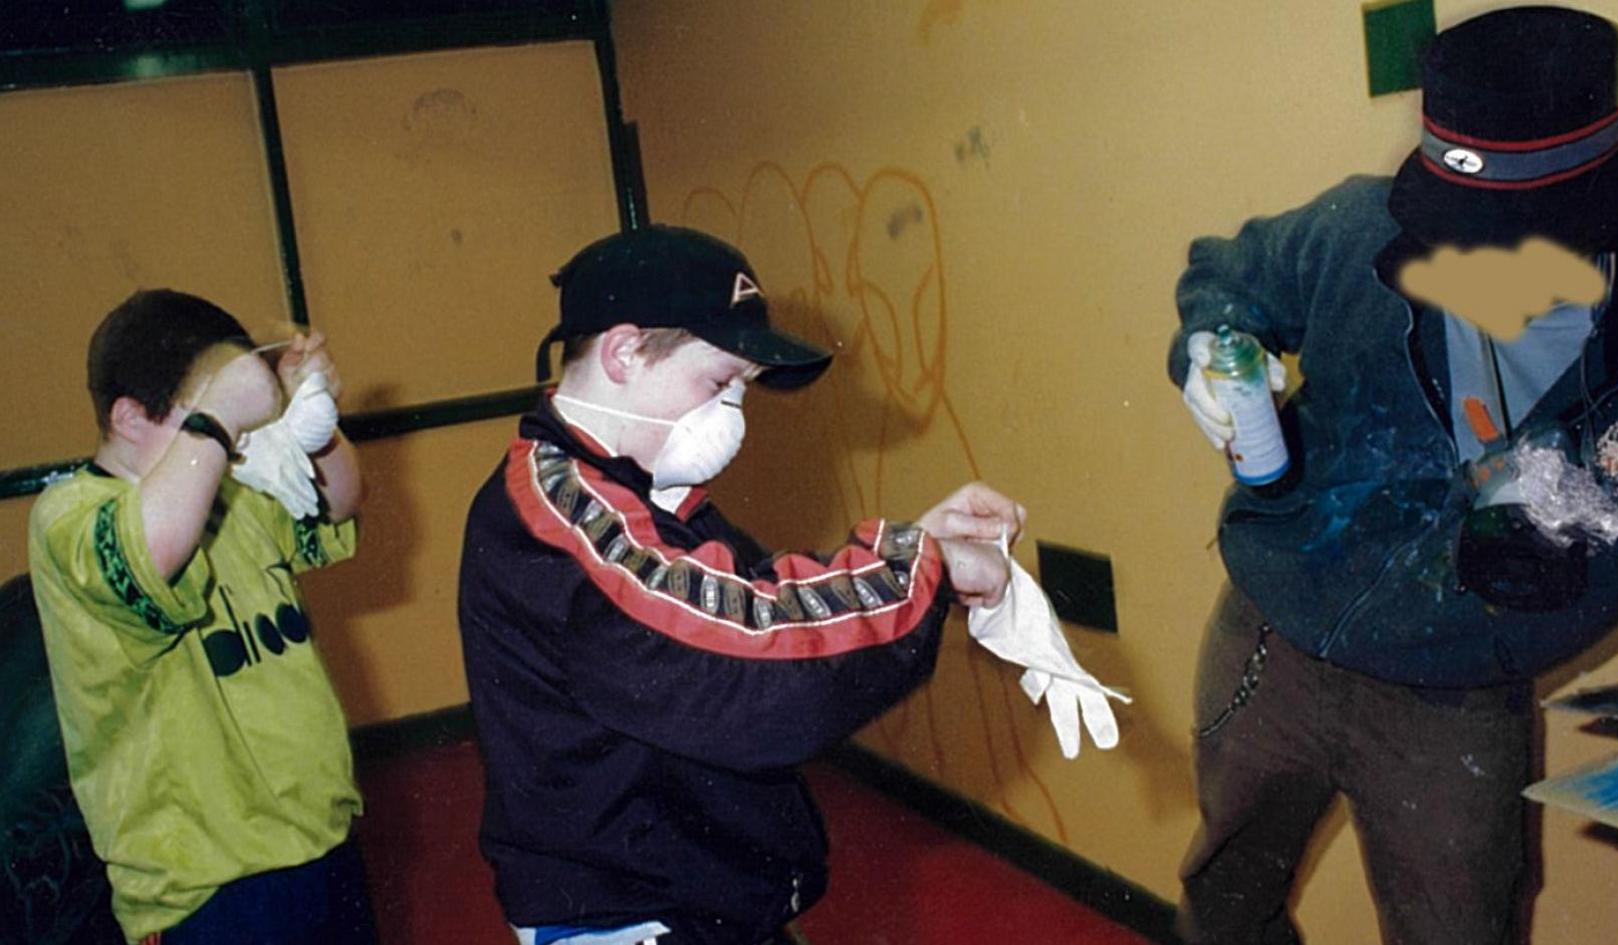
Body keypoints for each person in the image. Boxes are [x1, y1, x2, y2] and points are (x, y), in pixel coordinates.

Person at [1166, 7, 1618, 944]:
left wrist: (1586, 542)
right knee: (1222, 905)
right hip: (1270, 637)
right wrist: (1210, 344)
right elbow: (1229, 272)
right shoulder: (1358, 225)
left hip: (1452, 698)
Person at [457, 225, 1020, 945]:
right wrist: (921, 564)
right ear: (624, 352)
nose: (732, 413)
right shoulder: (564, 513)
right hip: (632, 918)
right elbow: (747, 659)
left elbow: (752, 596)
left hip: (692, 895)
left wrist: (920, 548)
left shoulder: (640, 493)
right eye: (719, 382)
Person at [27, 289, 372, 945]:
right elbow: (154, 550)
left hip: (317, 841)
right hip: (206, 887)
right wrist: (215, 418)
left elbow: (340, 503)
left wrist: (312, 420)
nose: (229, 434)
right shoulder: (69, 517)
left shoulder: (230, 488)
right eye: (206, 414)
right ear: (129, 418)